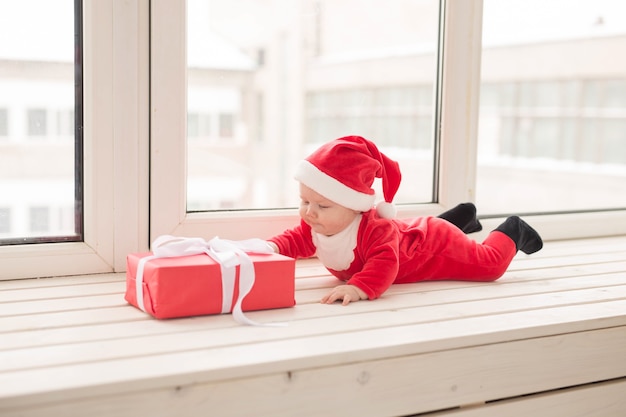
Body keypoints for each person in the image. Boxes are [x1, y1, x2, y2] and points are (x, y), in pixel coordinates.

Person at [267, 135, 543, 305]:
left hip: (434, 243)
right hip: (414, 235)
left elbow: (385, 264)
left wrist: (359, 287)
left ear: (354, 207)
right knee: (416, 233)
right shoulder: (315, 224)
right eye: (304, 202)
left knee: (489, 265)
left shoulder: (374, 231)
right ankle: (461, 218)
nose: (309, 212)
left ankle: (512, 230)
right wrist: (269, 249)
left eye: (322, 205)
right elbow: (293, 240)